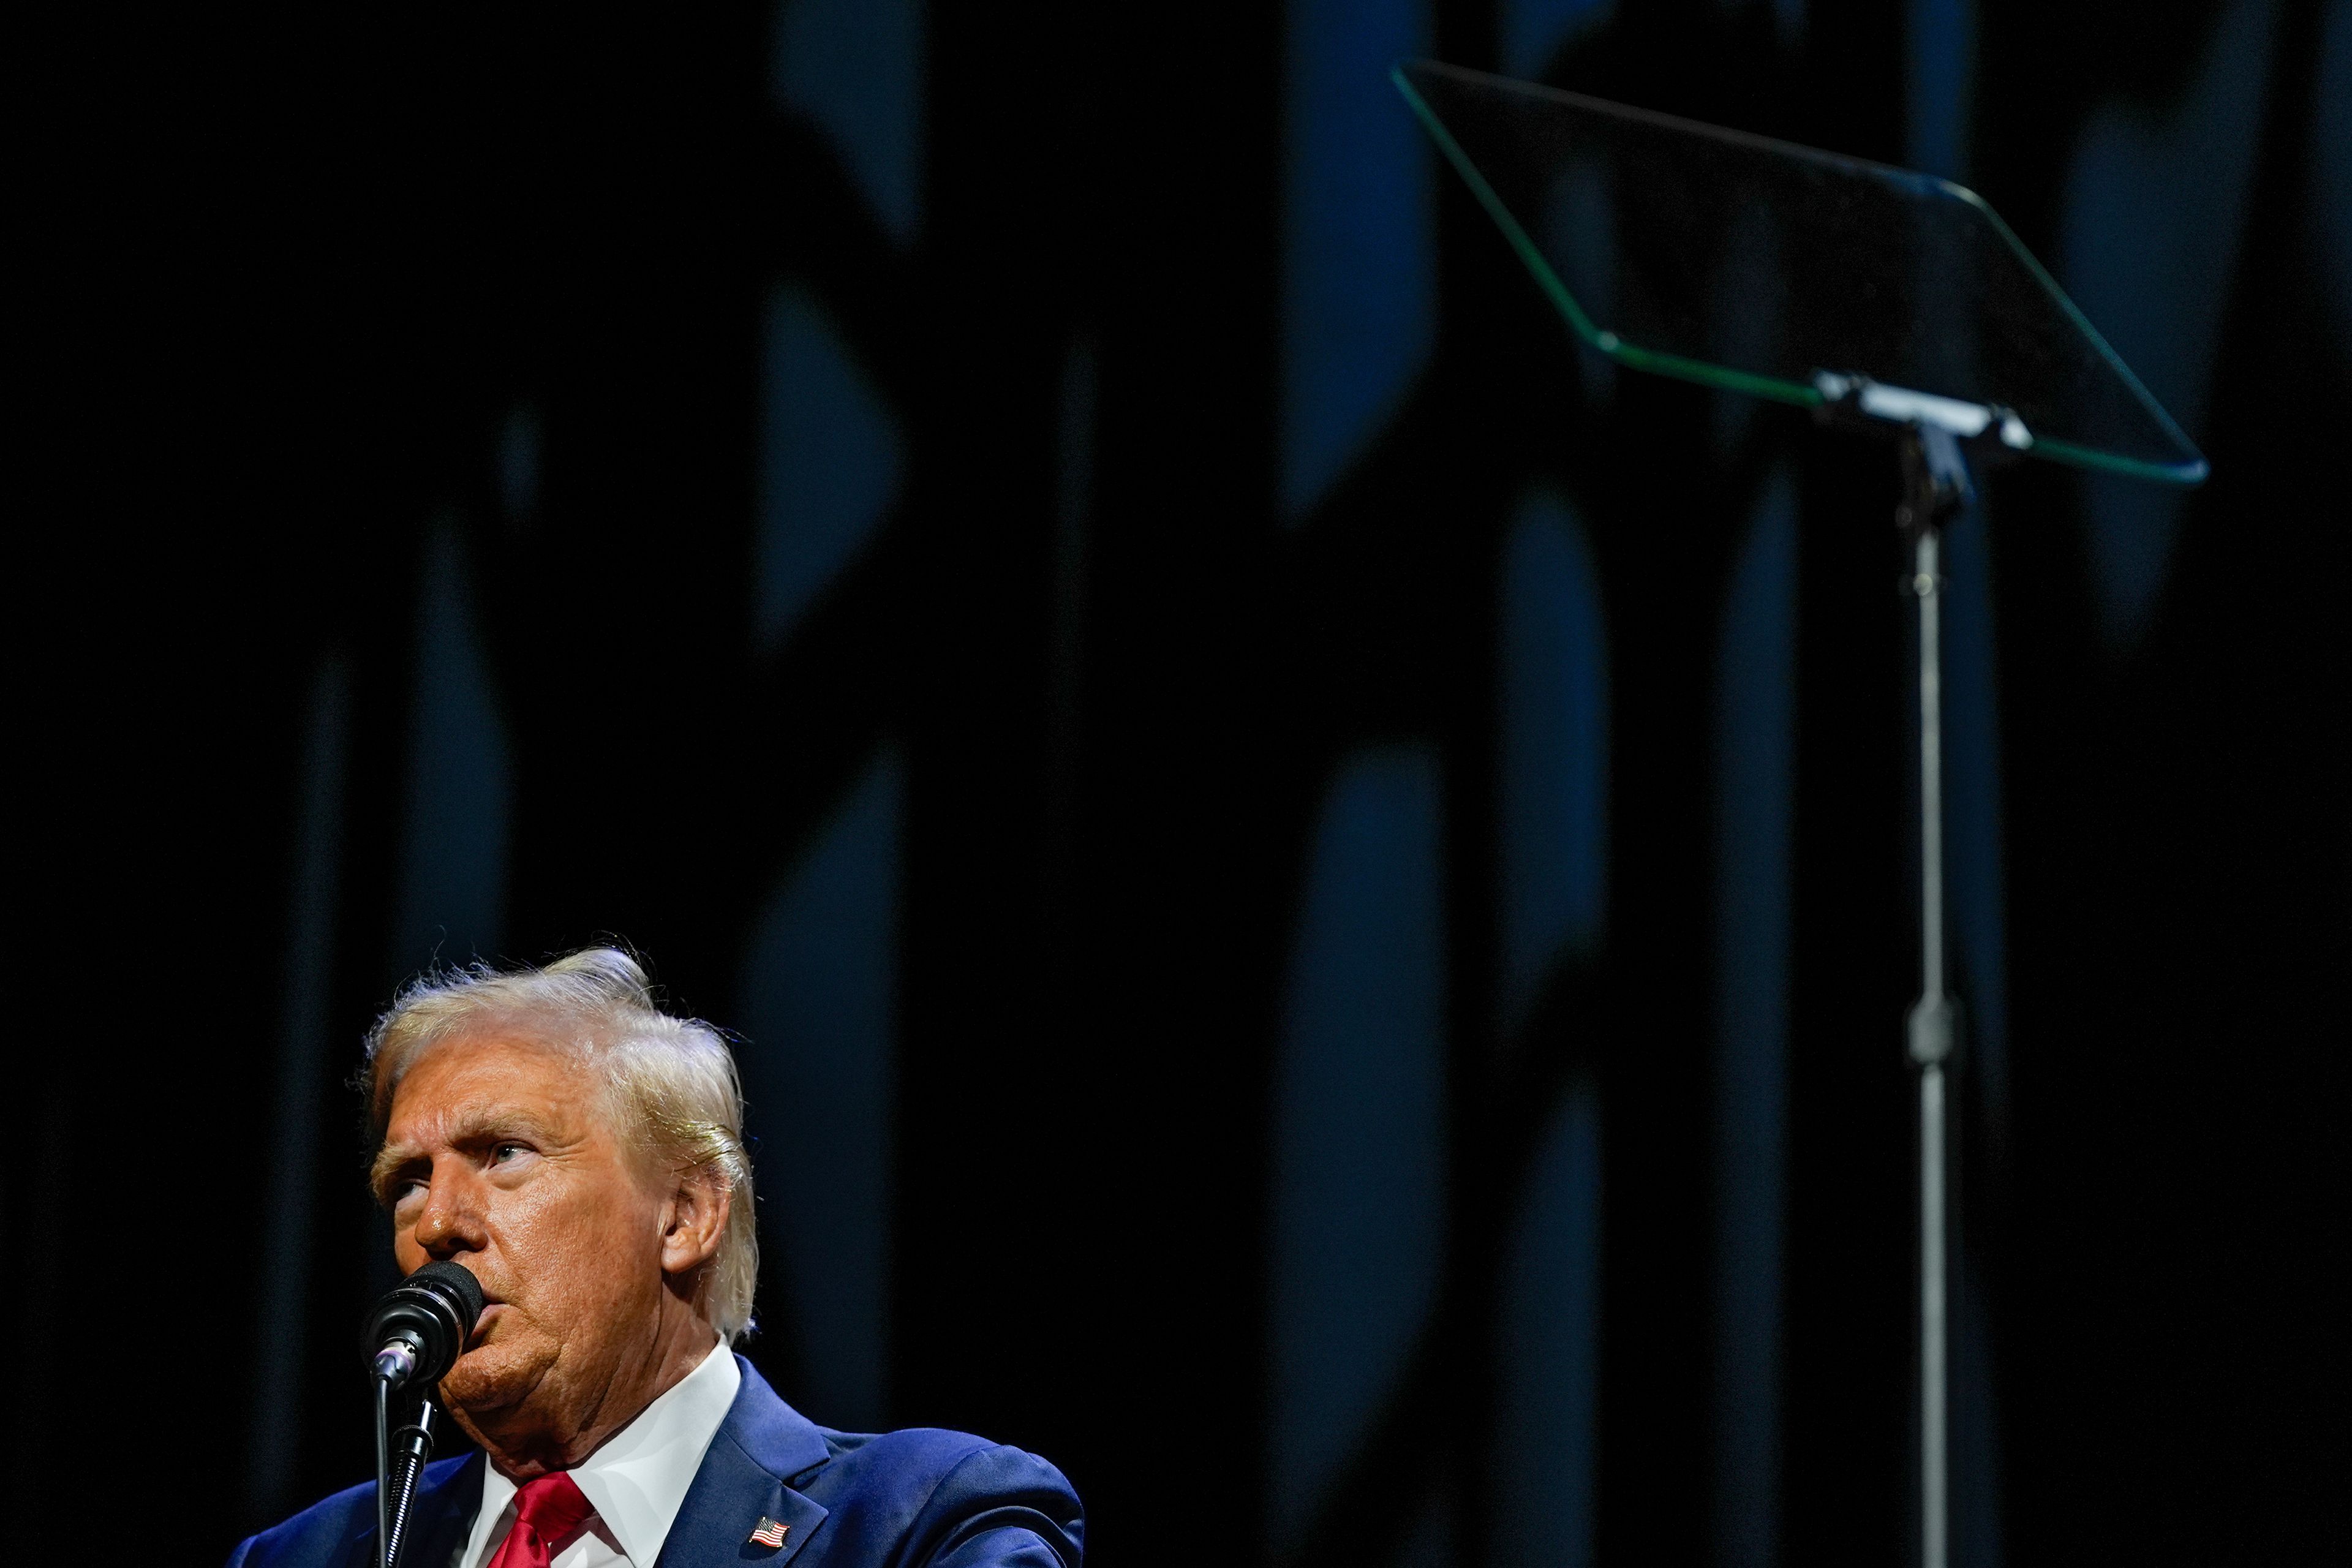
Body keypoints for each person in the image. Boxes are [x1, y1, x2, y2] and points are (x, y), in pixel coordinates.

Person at [228, 949, 1082, 1568]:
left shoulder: (922, 1520)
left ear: (684, 1216)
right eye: (407, 1180)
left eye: (505, 1153)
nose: (438, 1222)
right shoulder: (299, 1557)